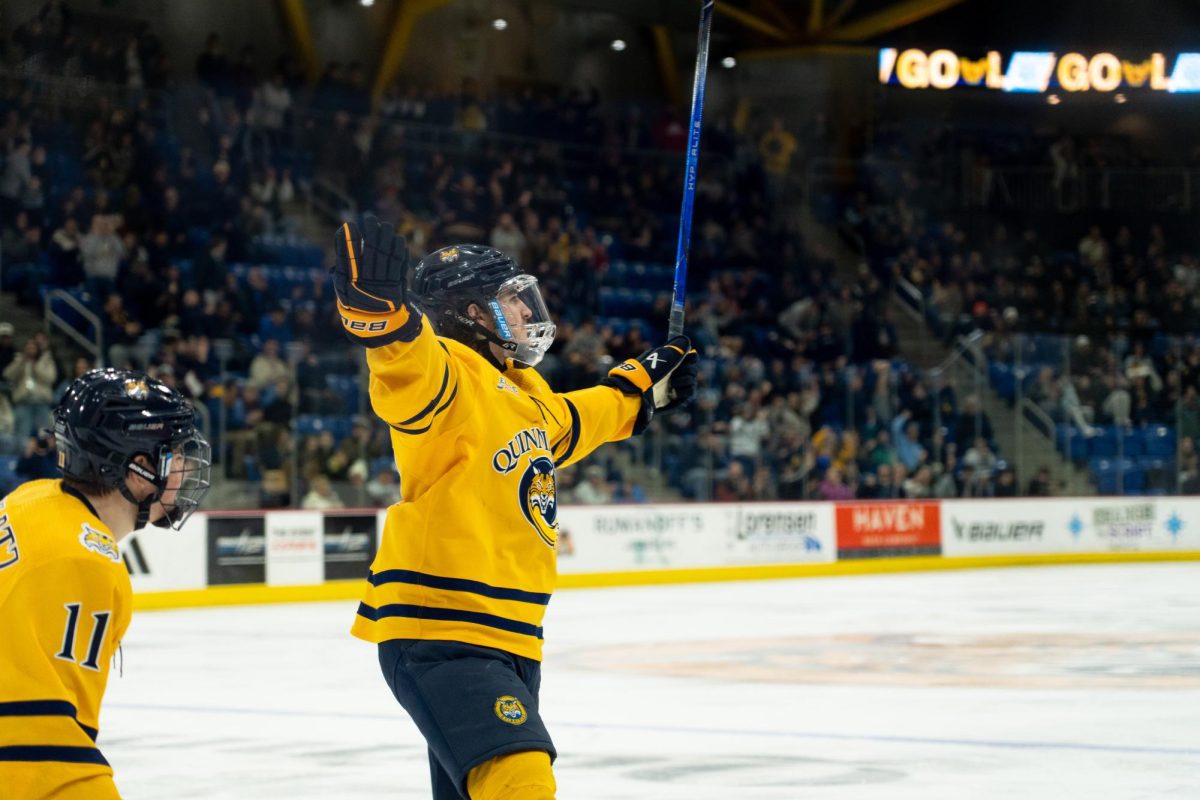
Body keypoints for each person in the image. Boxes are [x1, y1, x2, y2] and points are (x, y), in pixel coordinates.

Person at [333, 217, 697, 800]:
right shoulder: (450, 374)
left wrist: (638, 390)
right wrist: (383, 319)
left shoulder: (527, 393)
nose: (528, 312)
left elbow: (583, 417)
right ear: (468, 314)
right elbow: (407, 364)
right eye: (510, 301)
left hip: (511, 638)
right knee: (520, 782)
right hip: (445, 628)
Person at [0, 368, 211, 799]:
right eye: (174, 455)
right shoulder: (85, 560)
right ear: (138, 469)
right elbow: (39, 751)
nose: (186, 469)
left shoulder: (32, 499)